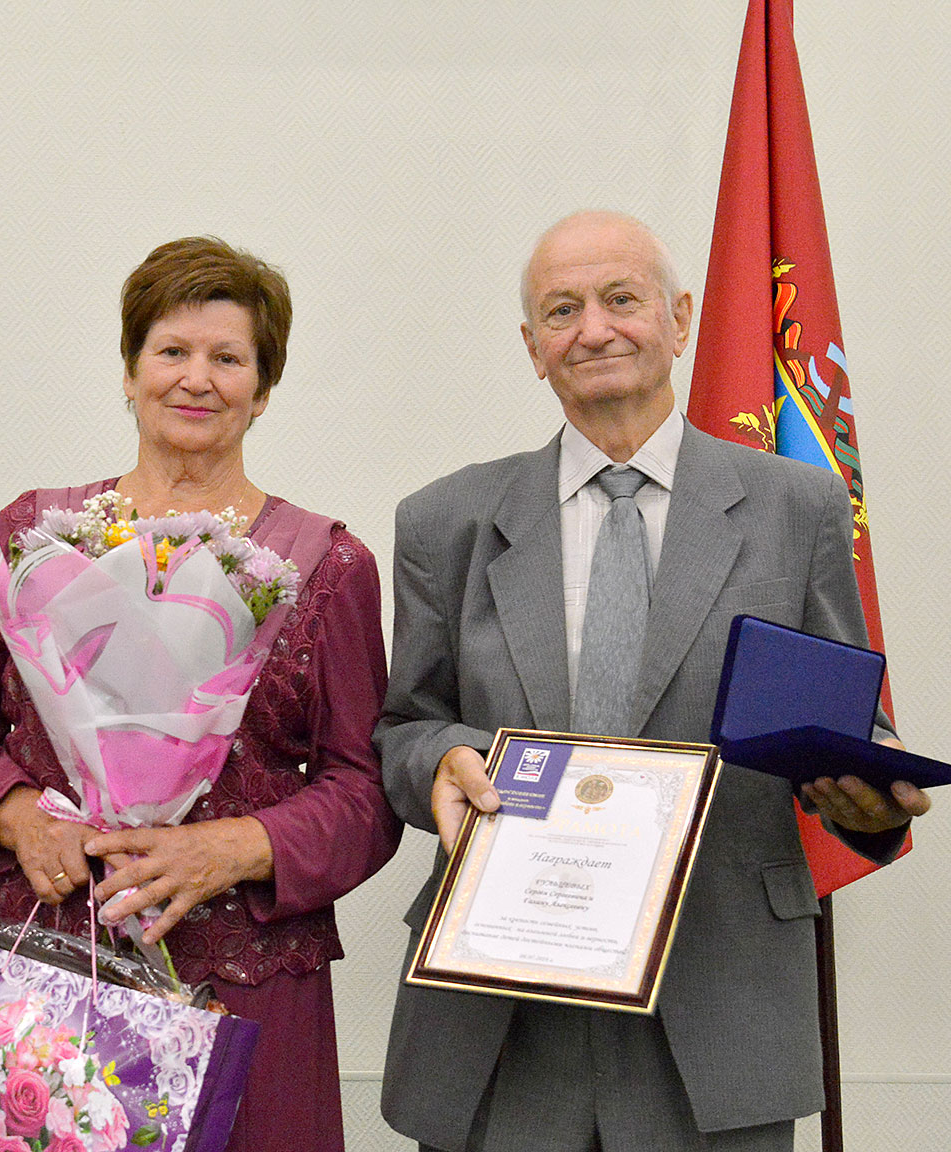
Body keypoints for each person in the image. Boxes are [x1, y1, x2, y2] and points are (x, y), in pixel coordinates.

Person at [375, 210, 930, 1152]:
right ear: (533, 348)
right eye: (562, 310)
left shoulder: (797, 506)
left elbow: (846, 721)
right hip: (503, 1010)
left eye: (621, 299)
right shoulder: (446, 520)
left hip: (720, 1013)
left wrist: (866, 794)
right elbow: (406, 727)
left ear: (679, 320)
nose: (593, 329)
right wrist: (441, 764)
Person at [0, 236, 403, 1152]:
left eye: (229, 358)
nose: (197, 378)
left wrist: (232, 847)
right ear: (130, 372)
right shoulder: (36, 536)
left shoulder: (330, 566)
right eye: (172, 351)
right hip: (35, 974)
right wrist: (22, 820)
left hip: (248, 989)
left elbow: (367, 795)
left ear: (263, 387)